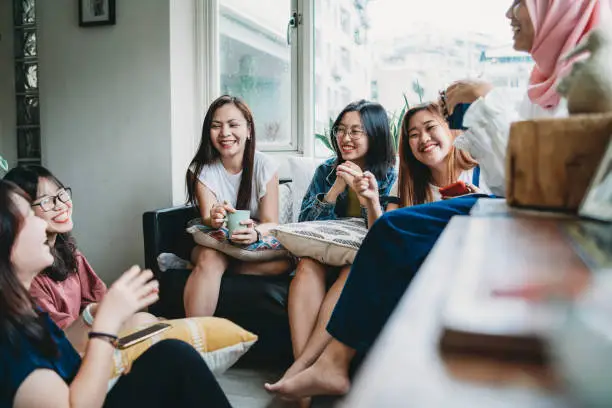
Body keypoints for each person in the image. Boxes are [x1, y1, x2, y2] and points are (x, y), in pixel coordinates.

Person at [265, 0, 603, 399]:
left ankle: (327, 364)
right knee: (345, 250)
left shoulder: (592, 70)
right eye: (414, 135)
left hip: (568, 218)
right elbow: (316, 222)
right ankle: (314, 364)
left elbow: (525, 177)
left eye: (520, 4)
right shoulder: (545, 81)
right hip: (532, 212)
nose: (509, 13)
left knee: (387, 235)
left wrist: (482, 99)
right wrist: (346, 192)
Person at [0, 180, 232, 408]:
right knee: (176, 358)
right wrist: (106, 326)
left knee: (171, 353)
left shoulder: (22, 306)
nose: (42, 224)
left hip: (83, 384)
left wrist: (94, 314)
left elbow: (62, 346)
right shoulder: (6, 339)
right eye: (29, 217)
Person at [279, 100, 396, 390]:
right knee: (306, 266)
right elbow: (304, 225)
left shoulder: (392, 176)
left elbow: (385, 235)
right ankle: (303, 380)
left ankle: (299, 370)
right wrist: (335, 190)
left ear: (376, 135)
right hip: (322, 254)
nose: (345, 138)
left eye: (356, 131)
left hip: (356, 260)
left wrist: (367, 196)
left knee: (351, 270)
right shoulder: (326, 171)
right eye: (341, 130)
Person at [3, 165, 157, 353]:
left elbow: (97, 298)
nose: (60, 204)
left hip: (88, 334)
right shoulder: (27, 275)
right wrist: (100, 314)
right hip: (74, 345)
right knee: (145, 322)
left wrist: (112, 306)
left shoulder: (69, 252)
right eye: (46, 201)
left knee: (152, 322)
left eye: (61, 194)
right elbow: (60, 337)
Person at [184, 95, 292, 317]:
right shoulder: (202, 170)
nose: (224, 133)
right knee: (210, 258)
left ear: (249, 130)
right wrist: (215, 217)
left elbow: (271, 222)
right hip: (217, 245)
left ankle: (224, 270)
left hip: (251, 246)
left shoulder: (265, 165)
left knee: (285, 264)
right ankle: (195, 340)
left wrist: (255, 233)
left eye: (233, 125)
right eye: (216, 126)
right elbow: (207, 218)